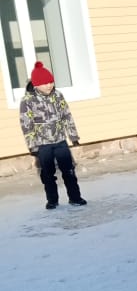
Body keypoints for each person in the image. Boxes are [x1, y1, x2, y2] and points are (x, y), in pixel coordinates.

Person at [19, 62, 87, 209]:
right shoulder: (28, 100)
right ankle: (52, 200)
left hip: (60, 140)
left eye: (51, 82)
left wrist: (73, 136)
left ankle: (75, 198)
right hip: (42, 144)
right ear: (36, 84)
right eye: (45, 83)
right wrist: (32, 146)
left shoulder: (57, 95)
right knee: (48, 174)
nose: (49, 85)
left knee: (69, 171)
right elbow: (26, 124)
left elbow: (67, 115)